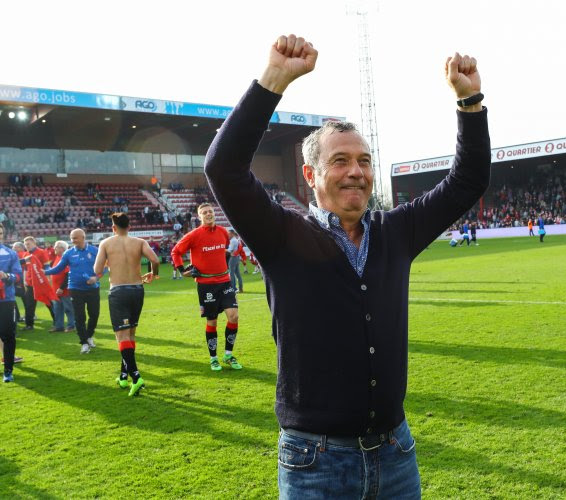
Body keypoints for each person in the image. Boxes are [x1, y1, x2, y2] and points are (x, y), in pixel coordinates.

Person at [204, 34, 489, 499]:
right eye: (340, 161)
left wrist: (469, 100)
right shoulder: (282, 235)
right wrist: (274, 78)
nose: (356, 171)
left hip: (396, 453)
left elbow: (468, 180)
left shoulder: (397, 231)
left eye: (364, 161)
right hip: (315, 461)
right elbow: (224, 168)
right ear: (311, 175)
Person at [94, 213, 160, 397]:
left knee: (122, 336)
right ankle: (123, 376)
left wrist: (108, 263)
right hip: (137, 290)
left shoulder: (106, 243)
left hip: (119, 292)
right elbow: (155, 260)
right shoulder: (139, 242)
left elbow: (97, 270)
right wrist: (153, 274)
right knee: (130, 334)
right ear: (129, 226)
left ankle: (136, 377)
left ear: (113, 227)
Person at [170, 203, 243, 371]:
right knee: (212, 321)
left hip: (224, 282)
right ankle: (213, 358)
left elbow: (223, 252)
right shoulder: (193, 235)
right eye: (204, 213)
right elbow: (176, 252)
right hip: (206, 285)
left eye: (210, 211)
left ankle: (228, 355)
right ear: (199, 217)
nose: (208, 214)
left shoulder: (223, 232)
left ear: (214, 213)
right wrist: (182, 270)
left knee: (233, 316)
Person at [45, 229, 101, 354]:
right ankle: (84, 343)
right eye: (71, 238)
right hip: (75, 289)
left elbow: (105, 267)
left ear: (83, 237)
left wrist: (95, 278)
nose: (73, 240)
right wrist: (45, 272)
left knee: (94, 314)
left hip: (92, 289)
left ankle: (89, 335)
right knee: (79, 317)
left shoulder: (95, 251)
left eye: (75, 238)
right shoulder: (68, 253)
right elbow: (59, 268)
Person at [0, 225, 23, 382]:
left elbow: (18, 276)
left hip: (6, 301)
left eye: (0, 232)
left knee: (8, 335)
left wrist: (6, 276)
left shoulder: (10, 253)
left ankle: (8, 370)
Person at [20, 236, 52, 330]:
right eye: (25, 244)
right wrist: (25, 280)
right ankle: (29, 325)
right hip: (30, 283)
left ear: (34, 243)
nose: (27, 246)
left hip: (40, 283)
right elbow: (25, 268)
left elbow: (47, 266)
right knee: (29, 304)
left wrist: (48, 278)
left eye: (28, 244)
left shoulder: (42, 252)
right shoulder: (25, 254)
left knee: (49, 303)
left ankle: (57, 322)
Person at [49, 240, 76, 333]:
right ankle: (59, 326)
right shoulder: (57, 258)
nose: (54, 248)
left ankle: (71, 325)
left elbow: (68, 274)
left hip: (64, 290)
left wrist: (61, 287)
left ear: (62, 248)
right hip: (56, 290)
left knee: (68, 308)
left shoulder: (65, 258)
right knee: (57, 309)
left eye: (56, 246)